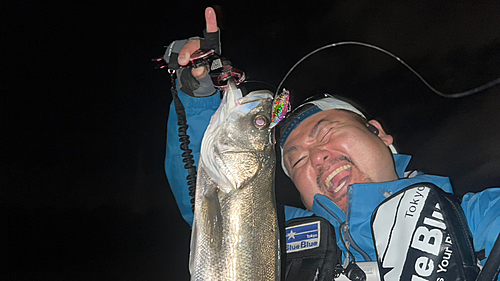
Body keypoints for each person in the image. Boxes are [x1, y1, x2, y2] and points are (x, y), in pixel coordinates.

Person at [164, 7, 500, 279]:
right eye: (296, 161)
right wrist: (197, 96)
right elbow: (210, 206)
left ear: (378, 133)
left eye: (326, 133)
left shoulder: (477, 219)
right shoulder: (280, 236)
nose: (317, 157)